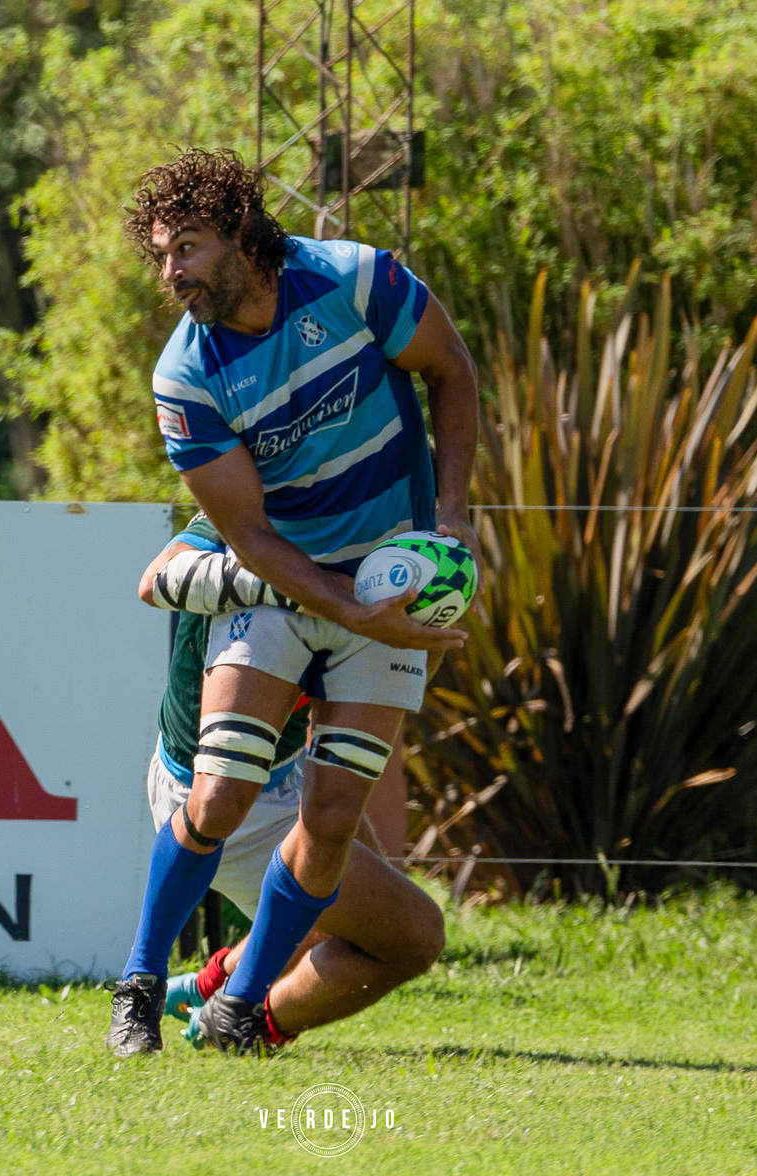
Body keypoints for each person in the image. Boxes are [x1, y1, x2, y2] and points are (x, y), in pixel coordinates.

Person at [106, 148, 479, 1055]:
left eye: (186, 246)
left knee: (336, 818)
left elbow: (454, 372)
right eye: (160, 254)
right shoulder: (185, 376)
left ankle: (239, 1010)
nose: (172, 273)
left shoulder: (357, 282)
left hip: (391, 581)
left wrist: (451, 522)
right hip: (283, 585)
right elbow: (248, 538)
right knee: (222, 790)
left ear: (240, 231)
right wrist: (338, 604)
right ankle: (142, 982)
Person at [106, 512, 444, 1057]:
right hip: (218, 791)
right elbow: (154, 580)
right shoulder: (258, 498)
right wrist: (306, 591)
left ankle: (213, 989)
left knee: (343, 899)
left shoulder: (375, 534)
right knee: (414, 937)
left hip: (285, 773)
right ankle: (246, 1022)